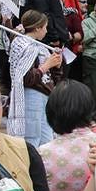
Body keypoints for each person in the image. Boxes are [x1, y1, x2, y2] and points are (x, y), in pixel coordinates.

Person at [8, 10, 65, 149]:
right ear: (38, 27)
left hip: (45, 95)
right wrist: (46, 66)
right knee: (32, 138)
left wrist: (57, 66)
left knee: (47, 140)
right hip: (31, 96)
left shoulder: (41, 47)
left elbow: (53, 78)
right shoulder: (24, 45)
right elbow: (24, 78)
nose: (46, 31)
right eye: (45, 27)